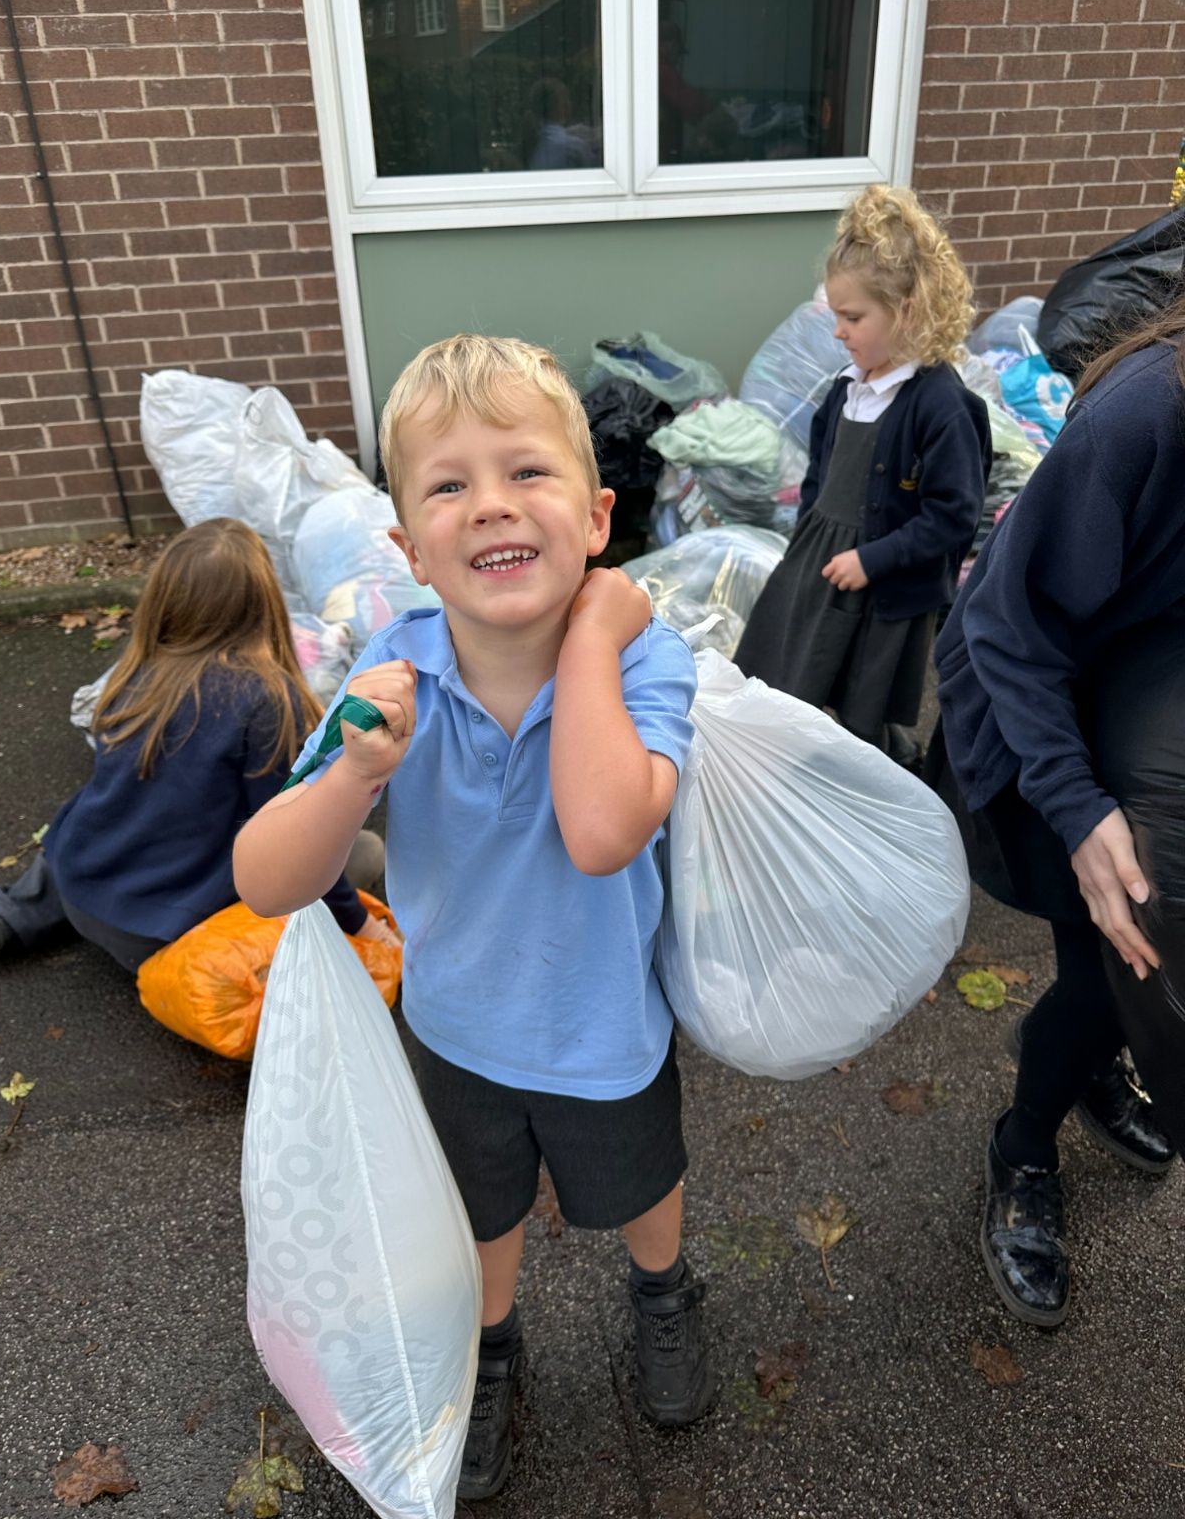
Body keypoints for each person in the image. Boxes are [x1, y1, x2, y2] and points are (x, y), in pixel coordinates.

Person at [234, 334, 712, 1503]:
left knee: (641, 1185)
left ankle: (663, 1293)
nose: (492, 503)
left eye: (526, 471)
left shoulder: (643, 663)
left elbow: (602, 832)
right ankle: (489, 1347)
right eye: (448, 485)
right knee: (476, 1208)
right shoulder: (392, 671)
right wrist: (354, 773)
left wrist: (592, 637)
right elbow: (264, 877)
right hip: (455, 1030)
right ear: (410, 548)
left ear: (596, 517)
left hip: (605, 1025)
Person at [928, 295, 1185, 1329]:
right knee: (1116, 958)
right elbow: (1005, 622)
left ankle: (1091, 1066)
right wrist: (1078, 811)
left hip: (1142, 701)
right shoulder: (1144, 416)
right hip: (1037, 710)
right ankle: (1025, 1145)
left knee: (1122, 968)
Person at [0, 519, 387, 974]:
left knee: (113, 818)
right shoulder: (266, 700)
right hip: (160, 932)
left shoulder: (136, 671)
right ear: (265, 603)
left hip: (76, 880)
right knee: (365, 851)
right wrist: (360, 924)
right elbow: (295, 839)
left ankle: (12, 914)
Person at [735, 185, 990, 768]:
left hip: (884, 587)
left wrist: (871, 560)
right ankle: (794, 765)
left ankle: (874, 772)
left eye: (852, 318)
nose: (838, 332)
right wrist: (806, 539)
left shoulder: (942, 407)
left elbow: (953, 516)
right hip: (821, 563)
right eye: (836, 316)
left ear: (908, 311)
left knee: (862, 703)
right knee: (790, 672)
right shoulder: (846, 391)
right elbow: (819, 477)